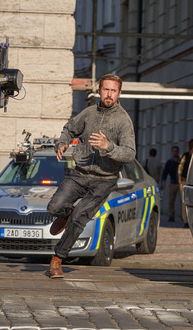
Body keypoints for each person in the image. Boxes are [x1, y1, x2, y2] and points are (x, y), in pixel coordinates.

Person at [46, 74, 135, 279]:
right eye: (106, 90)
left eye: (113, 91)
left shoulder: (123, 120)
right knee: (54, 207)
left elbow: (130, 153)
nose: (109, 94)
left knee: (80, 218)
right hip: (79, 173)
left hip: (104, 179)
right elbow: (69, 128)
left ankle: (57, 259)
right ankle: (65, 214)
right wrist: (62, 143)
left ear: (119, 93)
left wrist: (108, 146)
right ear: (99, 90)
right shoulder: (88, 113)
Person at [177, 138, 193, 228]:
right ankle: (186, 220)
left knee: (192, 201)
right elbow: (180, 167)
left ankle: (192, 220)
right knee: (184, 201)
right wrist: (179, 178)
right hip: (185, 180)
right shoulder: (185, 155)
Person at [160, 146, 180, 222]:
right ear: (172, 152)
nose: (175, 152)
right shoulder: (169, 162)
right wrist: (163, 181)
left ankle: (184, 217)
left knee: (182, 201)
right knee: (171, 200)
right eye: (174, 151)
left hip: (180, 183)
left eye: (176, 151)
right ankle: (171, 216)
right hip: (173, 182)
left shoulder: (180, 161)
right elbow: (165, 173)